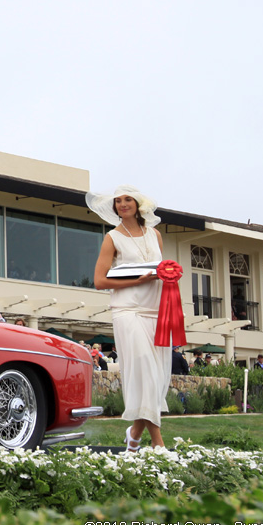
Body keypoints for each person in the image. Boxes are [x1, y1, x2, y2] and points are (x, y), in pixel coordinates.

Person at [88, 184, 169, 452]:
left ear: (138, 204)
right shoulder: (112, 237)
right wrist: (138, 279)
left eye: (127, 199)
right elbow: (100, 281)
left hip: (155, 310)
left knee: (155, 376)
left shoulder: (155, 235)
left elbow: (162, 268)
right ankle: (159, 445)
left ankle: (133, 435)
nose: (122, 204)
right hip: (128, 310)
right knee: (145, 367)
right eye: (118, 201)